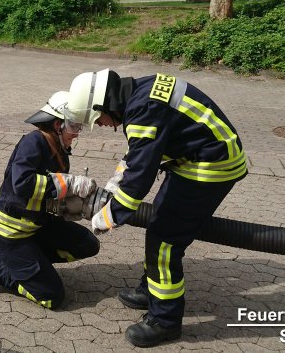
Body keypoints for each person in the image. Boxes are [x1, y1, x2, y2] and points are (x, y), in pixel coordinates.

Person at [62, 69, 247, 347]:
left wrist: (108, 217)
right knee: (160, 223)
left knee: (164, 242)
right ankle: (151, 290)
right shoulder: (140, 90)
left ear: (103, 104)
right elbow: (139, 153)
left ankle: (165, 321)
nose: (101, 125)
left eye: (97, 119)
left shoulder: (143, 109)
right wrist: (114, 185)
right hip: (195, 157)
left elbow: (140, 178)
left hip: (210, 166)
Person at [0, 91, 100, 309]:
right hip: (12, 234)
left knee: (88, 244)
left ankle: (31, 266)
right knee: (51, 297)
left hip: (36, 226)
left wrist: (68, 207)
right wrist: (70, 184)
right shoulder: (34, 142)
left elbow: (44, 195)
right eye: (74, 126)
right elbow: (23, 183)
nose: (77, 133)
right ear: (58, 124)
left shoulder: (59, 150)